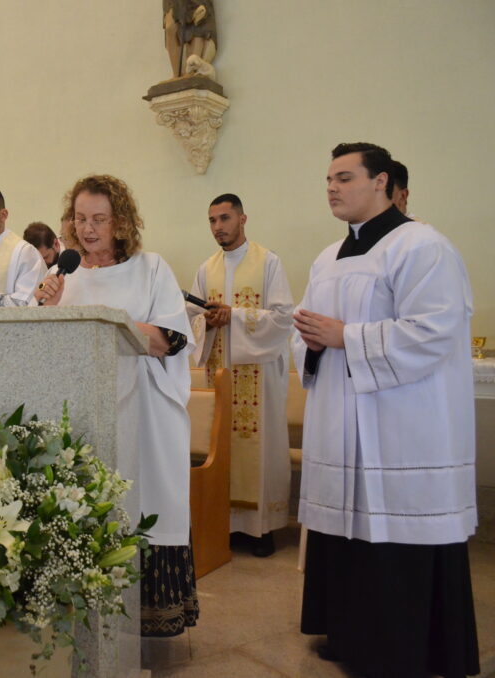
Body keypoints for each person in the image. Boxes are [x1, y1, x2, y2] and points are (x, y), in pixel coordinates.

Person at [293, 142, 478, 677]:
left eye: (345, 178)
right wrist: (311, 338)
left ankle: (401, 648)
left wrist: (346, 336)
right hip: (341, 422)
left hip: (401, 425)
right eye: (328, 178)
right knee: (348, 537)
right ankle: (351, 635)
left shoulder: (423, 246)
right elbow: (307, 331)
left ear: (381, 183)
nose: (332, 187)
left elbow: (434, 330)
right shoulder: (327, 258)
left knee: (395, 534)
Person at [34, 174, 196, 637]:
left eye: (99, 220)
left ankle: (146, 618)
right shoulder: (61, 278)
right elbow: (45, 350)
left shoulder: (152, 268)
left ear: (120, 223)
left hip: (142, 410)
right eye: (79, 219)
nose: (87, 229)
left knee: (140, 501)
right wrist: (48, 308)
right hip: (83, 414)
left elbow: (170, 340)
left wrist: (111, 322)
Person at [188, 193, 294, 557]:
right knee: (221, 443)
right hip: (220, 371)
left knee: (258, 447)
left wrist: (234, 315)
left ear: (242, 219)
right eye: (213, 221)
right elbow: (192, 317)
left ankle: (259, 529)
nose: (219, 227)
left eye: (225, 218)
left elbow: (282, 318)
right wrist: (209, 318)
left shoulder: (268, 262)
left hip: (258, 376)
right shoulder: (206, 268)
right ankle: (227, 525)